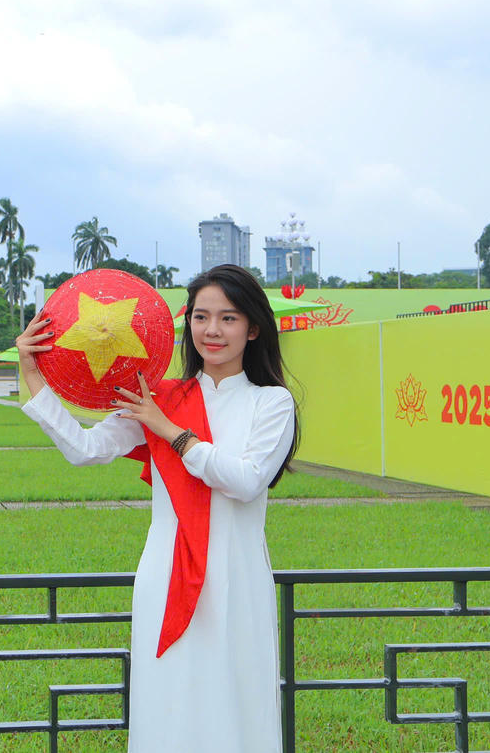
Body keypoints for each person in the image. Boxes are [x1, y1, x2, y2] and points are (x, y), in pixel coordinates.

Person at [15, 264, 299, 753]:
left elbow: (246, 481)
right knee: (168, 700)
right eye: (201, 317)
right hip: (165, 575)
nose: (212, 330)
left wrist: (169, 431)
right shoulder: (160, 396)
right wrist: (32, 373)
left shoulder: (271, 403)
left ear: (253, 329)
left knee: (237, 698)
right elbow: (85, 449)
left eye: (228, 318)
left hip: (237, 576)